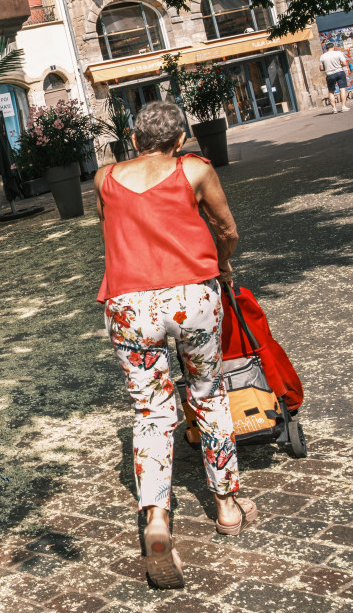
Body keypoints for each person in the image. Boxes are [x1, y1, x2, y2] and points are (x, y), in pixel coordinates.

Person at [94, 101, 255, 590]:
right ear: (180, 139)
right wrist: (222, 265)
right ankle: (227, 506)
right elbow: (226, 229)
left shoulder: (104, 177)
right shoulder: (194, 169)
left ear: (133, 138)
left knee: (151, 413)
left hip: (128, 304)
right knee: (207, 395)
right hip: (192, 296)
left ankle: (157, 520)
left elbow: (116, 228)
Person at [319, 42, 349, 112]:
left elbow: (321, 68)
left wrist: (327, 67)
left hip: (330, 74)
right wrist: (339, 65)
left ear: (326, 49)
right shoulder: (338, 53)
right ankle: (343, 106)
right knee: (342, 89)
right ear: (333, 47)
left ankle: (334, 108)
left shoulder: (322, 56)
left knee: (331, 91)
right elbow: (344, 63)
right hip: (339, 72)